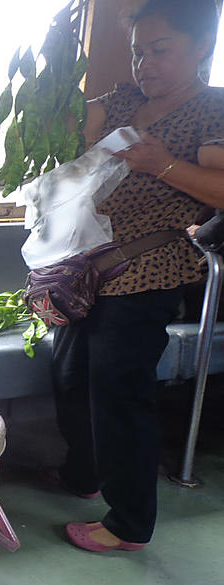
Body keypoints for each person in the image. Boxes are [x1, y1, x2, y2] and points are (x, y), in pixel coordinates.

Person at [47, 0, 224, 552]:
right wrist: (50, 70)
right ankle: (85, 475)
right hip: (87, 267)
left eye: (161, 50)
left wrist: (163, 165)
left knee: (120, 391)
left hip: (150, 268)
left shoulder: (211, 111)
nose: (145, 63)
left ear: (200, 48)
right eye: (138, 52)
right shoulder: (124, 101)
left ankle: (128, 524)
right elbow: (69, 125)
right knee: (71, 373)